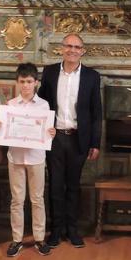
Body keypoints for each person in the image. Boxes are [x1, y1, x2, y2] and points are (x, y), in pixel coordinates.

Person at [37, 33, 102, 248]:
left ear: (82, 51)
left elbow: (96, 112)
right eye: (68, 46)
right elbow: (41, 104)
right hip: (54, 138)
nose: (72, 50)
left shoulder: (92, 76)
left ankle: (72, 230)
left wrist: (95, 143)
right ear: (62, 48)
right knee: (55, 186)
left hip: (78, 140)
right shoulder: (50, 72)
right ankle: (56, 231)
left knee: (74, 186)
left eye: (77, 47)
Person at [0, 63, 56, 257]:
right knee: (17, 200)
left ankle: (39, 238)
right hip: (15, 157)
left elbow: (47, 132)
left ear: (36, 83)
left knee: (37, 199)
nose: (25, 85)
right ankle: (17, 239)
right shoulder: (10, 105)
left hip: (37, 157)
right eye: (22, 81)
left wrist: (51, 132)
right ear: (17, 82)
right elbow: (4, 131)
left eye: (29, 81)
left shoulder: (44, 105)